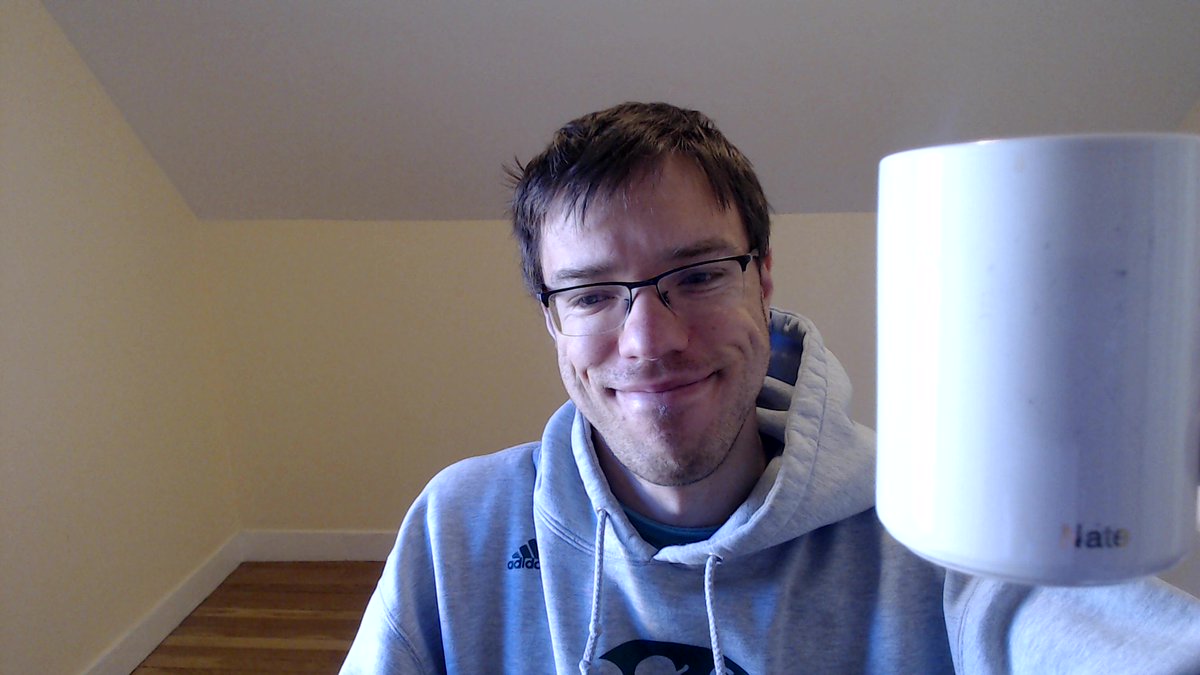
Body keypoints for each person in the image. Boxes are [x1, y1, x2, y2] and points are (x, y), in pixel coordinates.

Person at [341, 102, 1200, 674]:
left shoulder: (935, 522)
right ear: (551, 320)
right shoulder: (461, 526)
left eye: (697, 274)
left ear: (763, 279)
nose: (650, 340)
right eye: (594, 293)